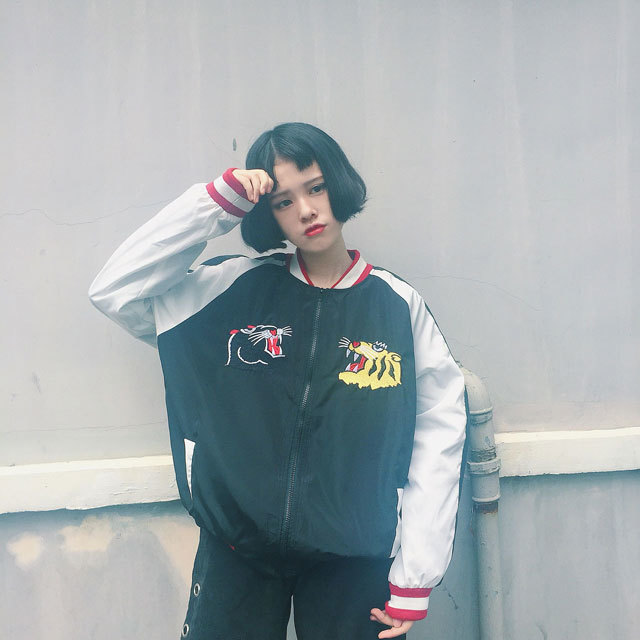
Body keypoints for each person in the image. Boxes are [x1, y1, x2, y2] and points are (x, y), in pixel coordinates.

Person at [88, 122, 467, 640]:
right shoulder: (231, 288)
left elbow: (437, 434)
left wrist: (415, 575)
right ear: (268, 215)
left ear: (338, 184)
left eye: (316, 188)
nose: (307, 210)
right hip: (237, 552)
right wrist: (216, 205)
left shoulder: (397, 307)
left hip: (352, 560)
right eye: (284, 201)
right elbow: (116, 291)